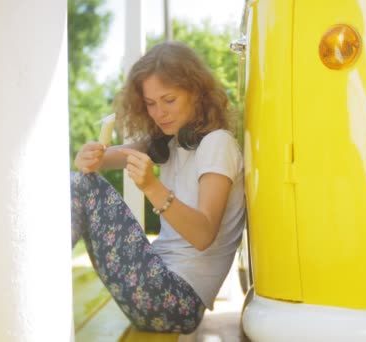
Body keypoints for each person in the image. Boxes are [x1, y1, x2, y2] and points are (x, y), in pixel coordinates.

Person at [70, 41, 245, 334]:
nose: (159, 112)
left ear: (197, 94)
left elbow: (203, 235)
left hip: (177, 299)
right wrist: (90, 157)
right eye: (150, 104)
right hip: (158, 288)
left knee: (81, 187)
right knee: (81, 181)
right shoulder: (172, 142)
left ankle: (34, 283)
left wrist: (152, 186)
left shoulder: (218, 143)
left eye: (169, 99)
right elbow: (110, 157)